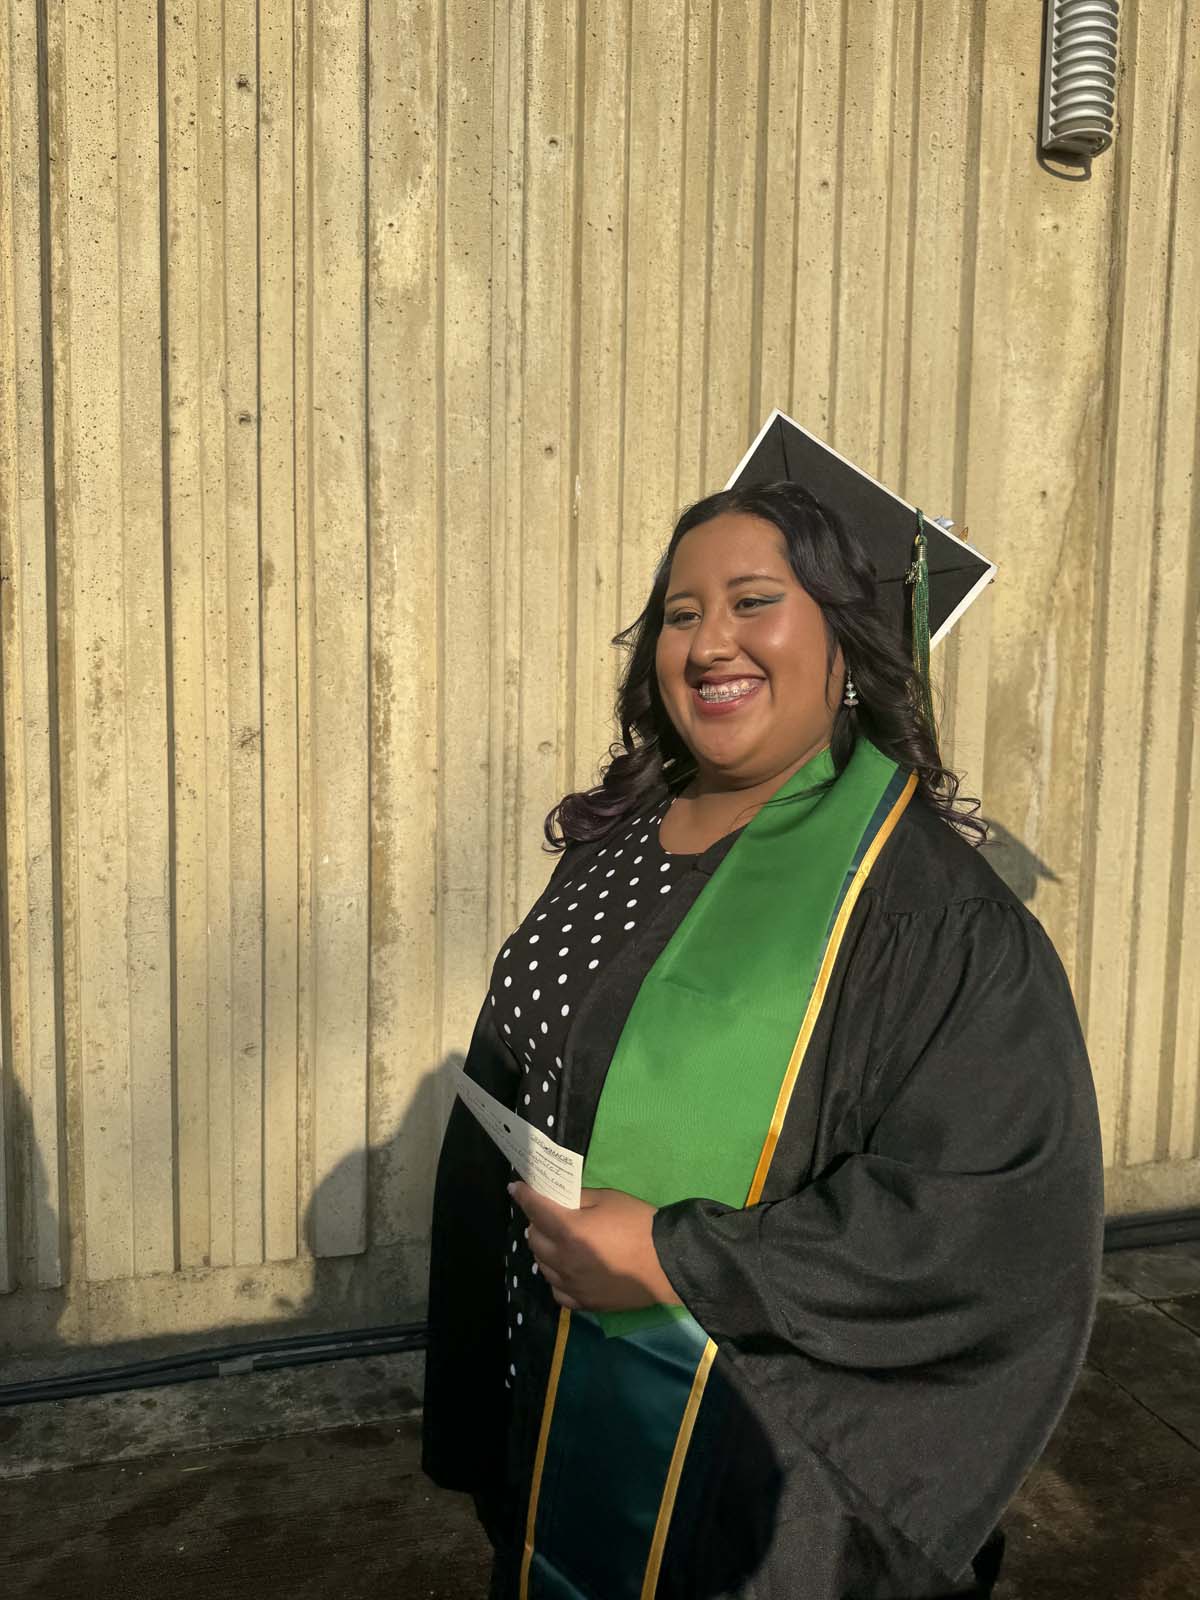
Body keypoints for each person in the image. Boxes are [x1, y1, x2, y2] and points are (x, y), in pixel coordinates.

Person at [422, 416, 1104, 1600]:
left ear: (846, 638)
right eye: (680, 613)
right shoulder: (619, 840)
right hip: (555, 1398)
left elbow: (989, 1220)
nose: (709, 642)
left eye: (754, 603)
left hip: (761, 1483)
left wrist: (680, 1258)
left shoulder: (928, 914)